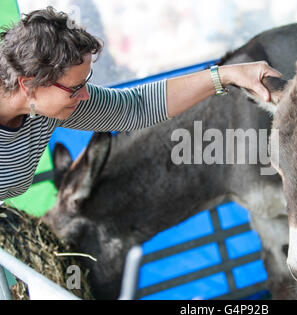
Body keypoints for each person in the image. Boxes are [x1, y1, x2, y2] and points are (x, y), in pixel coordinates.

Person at [0, 7, 281, 201]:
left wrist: (227, 74)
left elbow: (135, 107)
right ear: (29, 85)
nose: (84, 95)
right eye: (75, 89)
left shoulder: (44, 107)